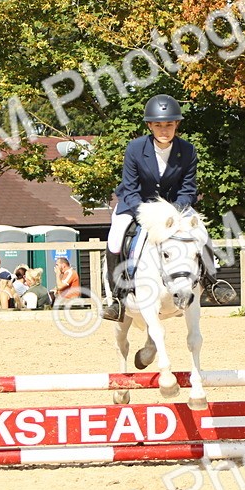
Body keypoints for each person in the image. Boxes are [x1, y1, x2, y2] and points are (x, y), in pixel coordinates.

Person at [102, 94, 198, 322]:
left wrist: (173, 213)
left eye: (169, 124)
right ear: (149, 126)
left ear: (177, 125)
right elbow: (130, 187)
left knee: (200, 230)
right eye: (158, 125)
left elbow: (188, 190)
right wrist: (149, 215)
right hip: (135, 205)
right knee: (116, 237)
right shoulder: (135, 148)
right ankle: (116, 298)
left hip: (175, 208)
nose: (164, 130)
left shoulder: (188, 150)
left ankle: (213, 282)